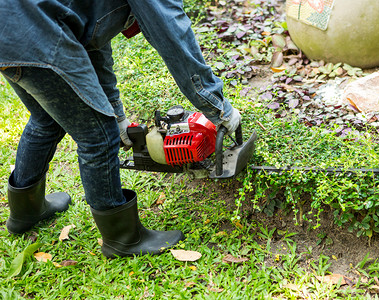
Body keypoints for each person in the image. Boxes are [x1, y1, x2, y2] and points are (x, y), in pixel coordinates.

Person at [0, 0, 241, 258]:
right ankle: (123, 239)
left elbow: (91, 36)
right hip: (36, 34)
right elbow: (171, 32)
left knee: (46, 117)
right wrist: (215, 105)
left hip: (11, 27)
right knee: (98, 135)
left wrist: (117, 113)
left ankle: (27, 211)